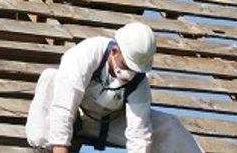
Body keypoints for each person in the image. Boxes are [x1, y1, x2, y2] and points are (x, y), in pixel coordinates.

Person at [25, 22, 202, 153]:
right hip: (75, 116)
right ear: (115, 51)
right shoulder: (85, 54)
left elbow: (138, 136)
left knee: (169, 125)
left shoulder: (139, 82)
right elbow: (64, 107)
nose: (129, 74)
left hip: (108, 124)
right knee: (50, 78)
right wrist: (60, 147)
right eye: (126, 66)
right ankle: (43, 147)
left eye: (134, 70)